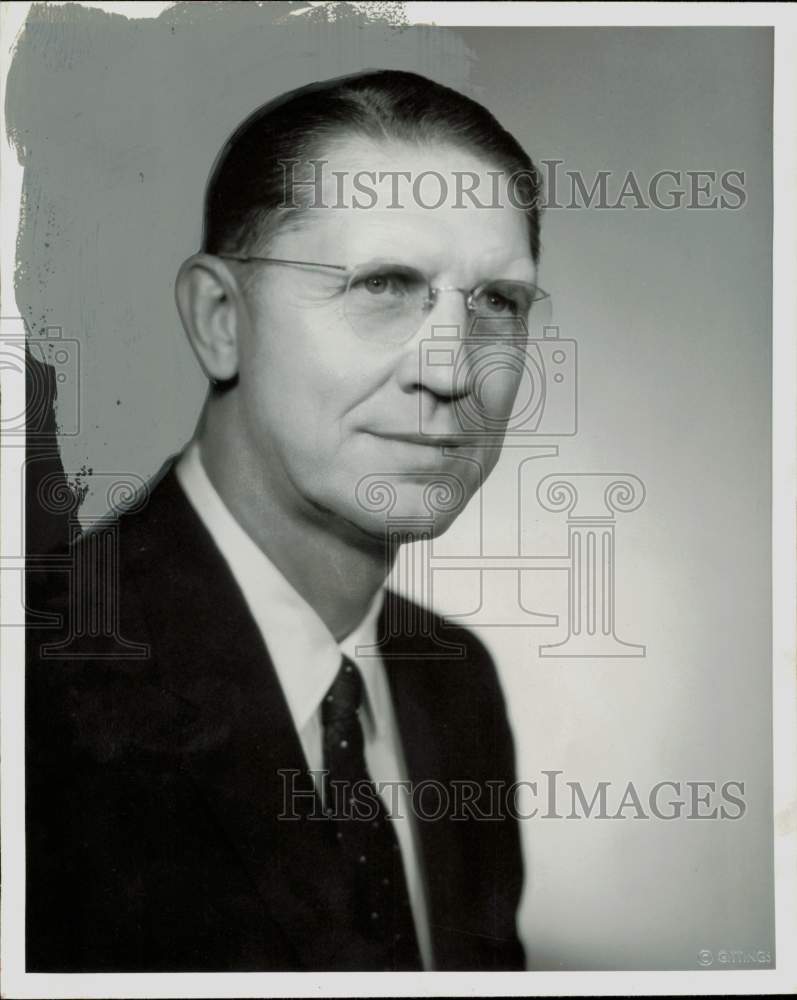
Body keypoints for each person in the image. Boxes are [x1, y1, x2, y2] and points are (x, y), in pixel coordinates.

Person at [26, 69, 546, 972]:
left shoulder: (456, 689)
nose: (453, 371)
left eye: (497, 302)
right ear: (221, 319)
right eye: (384, 284)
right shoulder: (37, 687)